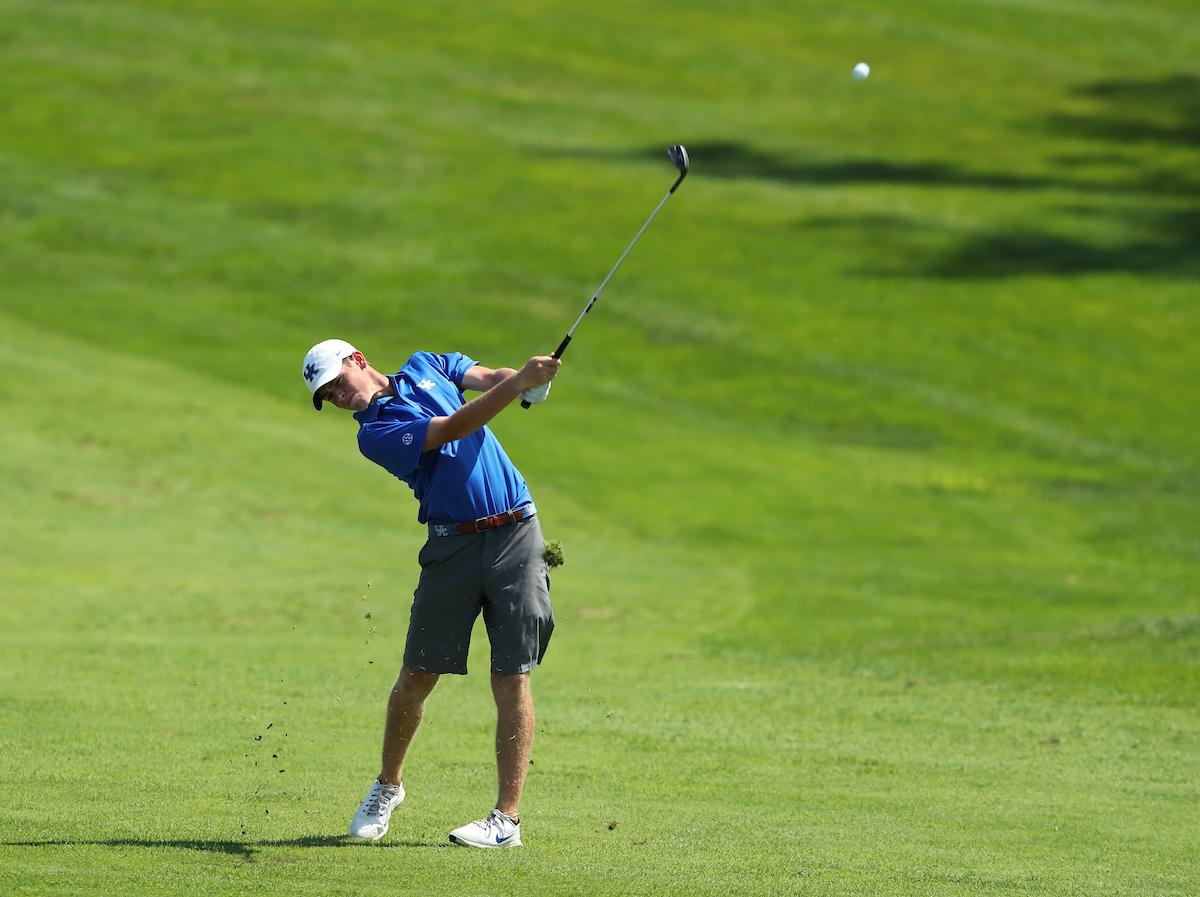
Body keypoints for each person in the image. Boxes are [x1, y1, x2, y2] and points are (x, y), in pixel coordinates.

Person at [301, 338, 561, 849]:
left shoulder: (427, 364)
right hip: (452, 548)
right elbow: (454, 427)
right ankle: (387, 786)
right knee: (418, 674)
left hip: (517, 532)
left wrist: (532, 383)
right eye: (327, 395)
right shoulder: (375, 433)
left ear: (358, 360)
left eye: (337, 382)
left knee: (511, 675)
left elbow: (489, 378)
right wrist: (520, 384)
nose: (337, 396)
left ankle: (506, 820)